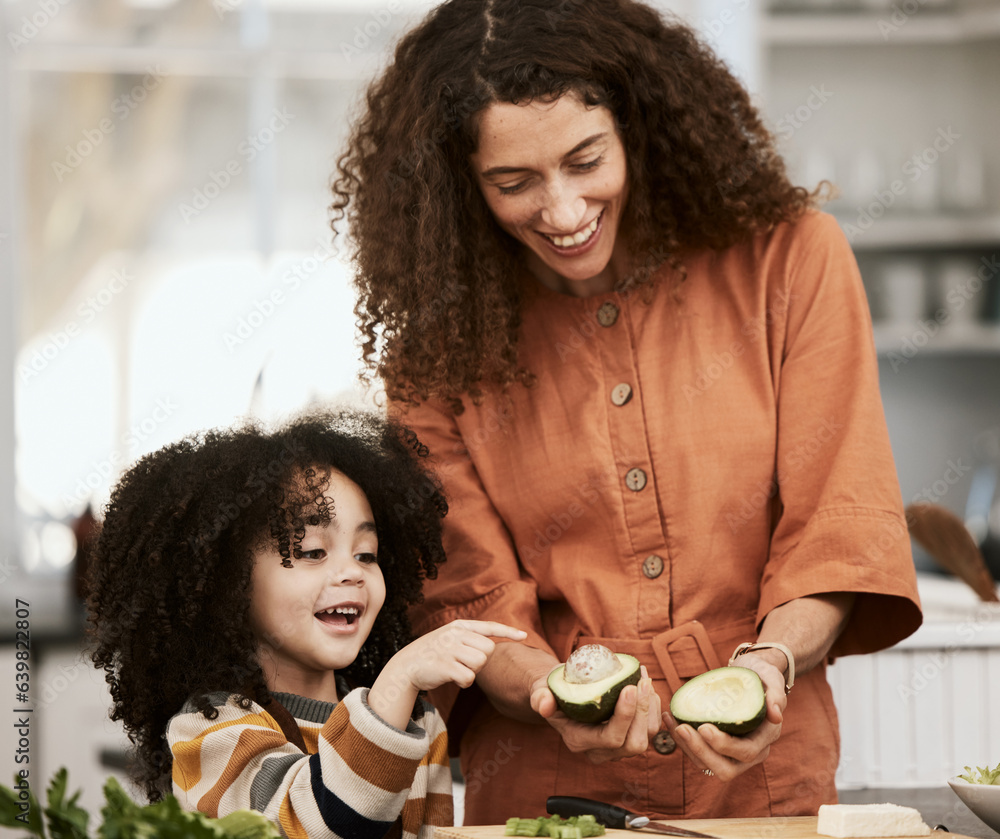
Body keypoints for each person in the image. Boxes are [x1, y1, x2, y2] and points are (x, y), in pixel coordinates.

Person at [329, 0, 923, 823]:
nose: (564, 211)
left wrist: (768, 664)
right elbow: (470, 599)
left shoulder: (790, 260)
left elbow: (838, 529)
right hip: (548, 792)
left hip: (766, 786)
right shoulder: (434, 353)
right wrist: (551, 693)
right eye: (514, 182)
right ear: (458, 187)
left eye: (585, 160)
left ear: (636, 128)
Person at [86, 410, 527, 838]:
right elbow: (316, 823)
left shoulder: (417, 723)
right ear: (230, 582)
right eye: (313, 551)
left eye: (366, 553)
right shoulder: (212, 729)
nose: (353, 572)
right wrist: (397, 681)